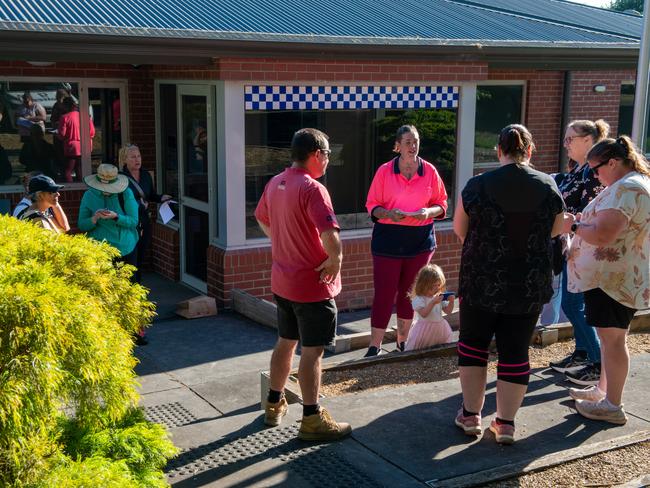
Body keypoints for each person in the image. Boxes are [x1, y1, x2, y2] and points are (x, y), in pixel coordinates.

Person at [453, 124, 566, 444]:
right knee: (515, 350)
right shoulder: (548, 186)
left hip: (481, 281)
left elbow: (460, 230)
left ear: (498, 151)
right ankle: (505, 423)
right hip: (528, 283)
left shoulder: (477, 185)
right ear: (530, 151)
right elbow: (556, 230)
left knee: (473, 346)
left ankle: (471, 415)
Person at [255, 128, 351, 441]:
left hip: (283, 282)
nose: (327, 161)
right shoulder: (312, 188)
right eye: (327, 155)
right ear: (316, 155)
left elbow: (261, 217)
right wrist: (335, 259)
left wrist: (282, 241)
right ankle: (311, 418)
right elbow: (330, 233)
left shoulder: (275, 183)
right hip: (311, 286)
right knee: (312, 353)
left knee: (286, 341)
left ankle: (273, 403)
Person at [564, 136, 650, 425]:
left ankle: (613, 404)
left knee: (613, 340)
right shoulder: (631, 185)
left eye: (596, 169)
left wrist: (573, 225)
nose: (594, 176)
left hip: (614, 280)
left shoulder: (628, 189)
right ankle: (604, 391)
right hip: (615, 277)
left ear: (613, 162)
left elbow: (604, 235)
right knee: (610, 337)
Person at [364, 124, 448, 357]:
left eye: (416, 141)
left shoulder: (429, 170)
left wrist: (427, 213)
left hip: (420, 240)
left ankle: (403, 343)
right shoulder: (384, 171)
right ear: (398, 146)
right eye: (408, 142)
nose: (413, 146)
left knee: (410, 293)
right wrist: (389, 214)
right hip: (388, 239)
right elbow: (372, 206)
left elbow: (441, 204)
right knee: (384, 293)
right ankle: (374, 346)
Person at [549, 119, 608, 386]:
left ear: (588, 140)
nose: (566, 144)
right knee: (570, 303)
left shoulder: (592, 173)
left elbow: (589, 211)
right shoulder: (576, 169)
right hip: (570, 246)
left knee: (574, 304)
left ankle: (598, 362)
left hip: (582, 247)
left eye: (570, 139)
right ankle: (583, 352)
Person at [118, 144, 172, 283]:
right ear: (125, 160)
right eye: (133, 157)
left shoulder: (146, 175)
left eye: (139, 156)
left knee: (140, 257)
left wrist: (160, 198)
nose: (137, 159)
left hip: (144, 222)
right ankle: (129, 291)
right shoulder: (120, 179)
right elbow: (119, 203)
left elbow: (150, 195)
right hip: (129, 223)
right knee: (130, 259)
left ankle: (137, 290)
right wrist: (138, 206)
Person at [78, 163, 139, 268]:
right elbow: (82, 225)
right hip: (98, 250)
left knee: (127, 283)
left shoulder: (126, 193)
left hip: (124, 249)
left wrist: (116, 217)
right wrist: (94, 218)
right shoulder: (88, 195)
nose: (106, 190)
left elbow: (133, 221)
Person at [404, 264, 454, 351]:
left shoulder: (438, 296)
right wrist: (433, 302)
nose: (436, 288)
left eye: (438, 285)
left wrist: (452, 302)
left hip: (439, 328)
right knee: (419, 349)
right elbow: (424, 314)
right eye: (433, 286)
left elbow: (448, 311)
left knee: (438, 349)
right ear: (424, 285)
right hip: (424, 329)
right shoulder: (419, 299)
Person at [58, 97, 95, 182]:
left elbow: (62, 135)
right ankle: (81, 186)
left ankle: (70, 188)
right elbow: (92, 132)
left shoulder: (64, 117)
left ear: (66, 106)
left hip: (72, 147)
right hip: (85, 146)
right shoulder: (85, 116)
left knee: (68, 170)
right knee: (80, 169)